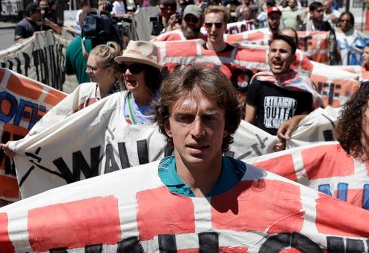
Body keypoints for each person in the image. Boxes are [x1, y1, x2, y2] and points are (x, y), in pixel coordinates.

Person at [154, 65, 245, 198]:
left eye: (209, 118)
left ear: (227, 125)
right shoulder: (136, 192)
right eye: (185, 118)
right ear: (167, 126)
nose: (197, 131)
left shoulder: (262, 196)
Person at [245, 35, 318, 147]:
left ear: (293, 58)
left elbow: (308, 123)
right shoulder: (258, 83)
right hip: (261, 150)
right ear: (268, 55)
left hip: (291, 150)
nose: (277, 55)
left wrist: (287, 140)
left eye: (283, 51)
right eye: (273, 50)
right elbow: (248, 123)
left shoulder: (303, 87)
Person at [114, 40, 164, 125]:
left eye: (135, 68)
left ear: (150, 73)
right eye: (123, 67)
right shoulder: (117, 104)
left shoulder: (166, 103)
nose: (127, 73)